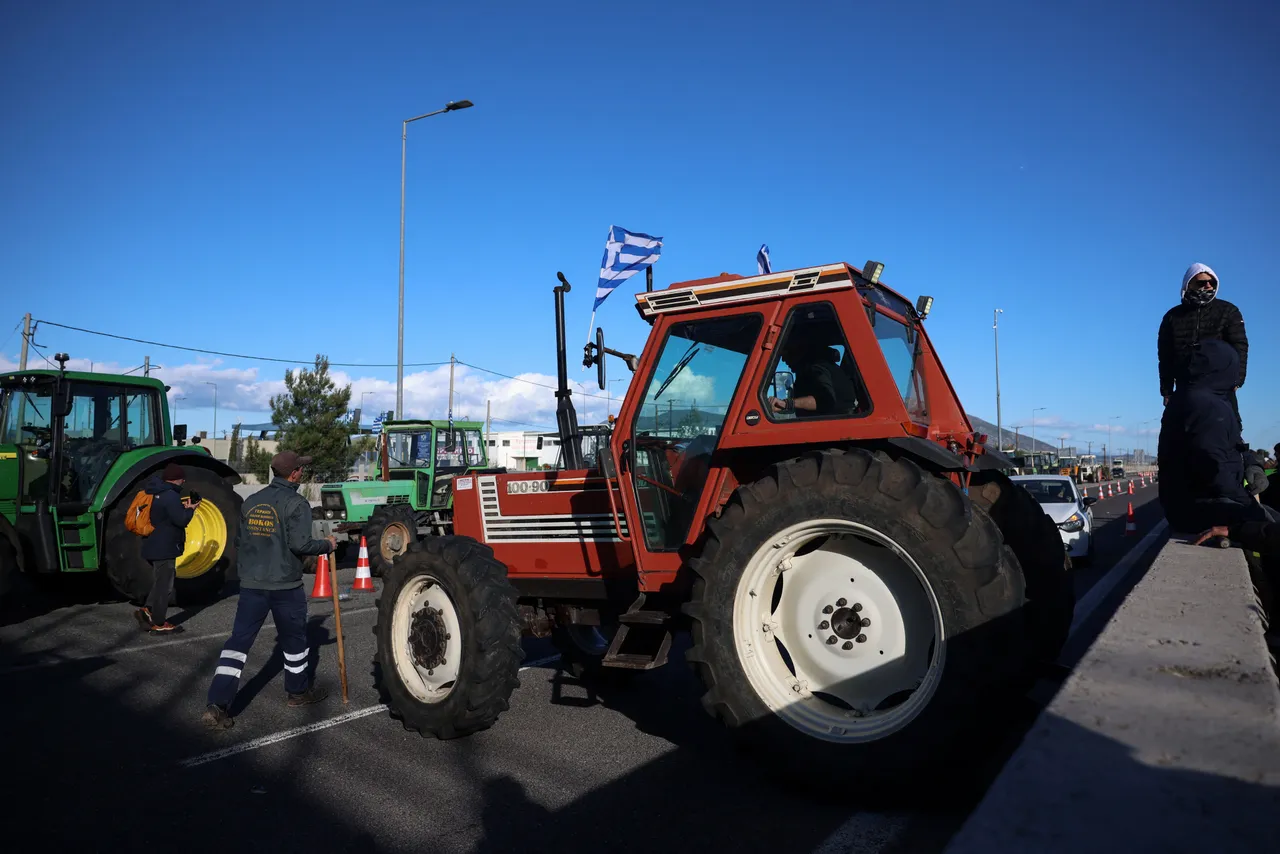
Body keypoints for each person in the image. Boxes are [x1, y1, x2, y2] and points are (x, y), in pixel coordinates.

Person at [201, 451, 336, 729]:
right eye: (301, 469)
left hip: (252, 585)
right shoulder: (297, 503)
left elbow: (240, 540)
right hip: (285, 586)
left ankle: (217, 704)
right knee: (295, 641)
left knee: (238, 642)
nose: (303, 473)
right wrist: (327, 545)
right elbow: (301, 545)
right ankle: (297, 692)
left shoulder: (252, 501)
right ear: (295, 473)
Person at [1157, 339, 1266, 533]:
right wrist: (1249, 506)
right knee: (1267, 532)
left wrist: (1250, 462)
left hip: (1188, 506)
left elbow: (1230, 445)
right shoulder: (1207, 406)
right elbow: (1213, 466)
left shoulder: (1191, 398)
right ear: (1224, 368)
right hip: (1205, 508)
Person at [1157, 263, 1247, 423]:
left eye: (1212, 282)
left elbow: (1239, 346)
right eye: (1201, 282)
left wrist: (1237, 380)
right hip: (1185, 387)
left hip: (1220, 389)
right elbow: (1165, 355)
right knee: (1176, 437)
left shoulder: (1228, 311)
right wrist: (1167, 390)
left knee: (1225, 437)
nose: (1207, 285)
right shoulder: (1172, 316)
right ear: (1188, 284)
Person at [133, 462, 198, 634]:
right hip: (165, 547)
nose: (183, 482)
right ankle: (159, 622)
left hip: (152, 544)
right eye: (182, 479)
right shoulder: (170, 496)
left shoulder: (154, 492)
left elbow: (164, 516)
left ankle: (147, 610)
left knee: (159, 581)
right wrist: (191, 509)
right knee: (165, 586)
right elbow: (181, 520)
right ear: (177, 480)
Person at [769, 340, 860, 418]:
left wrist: (786, 404)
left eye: (786, 353)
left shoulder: (817, 368)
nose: (784, 360)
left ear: (798, 351)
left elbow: (826, 400)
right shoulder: (821, 367)